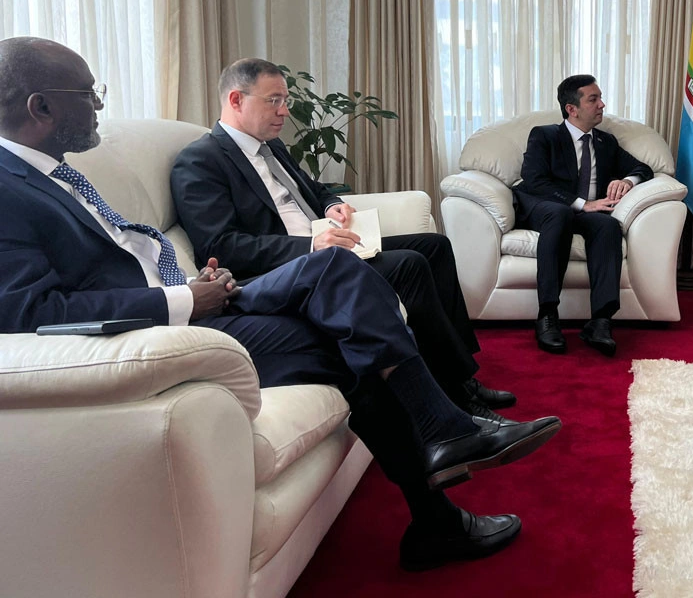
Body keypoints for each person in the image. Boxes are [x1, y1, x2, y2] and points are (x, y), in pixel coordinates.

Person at [0, 36, 563, 570]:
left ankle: (443, 459)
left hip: (204, 294)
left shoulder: (53, 173)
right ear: (40, 106)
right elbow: (29, 312)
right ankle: (441, 471)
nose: (99, 105)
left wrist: (198, 281)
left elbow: (127, 259)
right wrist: (180, 298)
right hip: (164, 329)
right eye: (88, 93)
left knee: (344, 279)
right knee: (346, 324)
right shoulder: (8, 188)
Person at [170, 58, 512, 421]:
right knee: (410, 265)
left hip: (328, 249)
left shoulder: (272, 146)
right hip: (291, 270)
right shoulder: (201, 161)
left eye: (285, 100)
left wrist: (331, 204)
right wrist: (311, 246)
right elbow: (221, 246)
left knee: (435, 246)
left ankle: (461, 373)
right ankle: (457, 394)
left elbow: (315, 190)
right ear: (236, 100)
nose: (285, 111)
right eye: (274, 100)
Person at [513, 75, 652, 357]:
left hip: (586, 211)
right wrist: (580, 203)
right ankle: (547, 315)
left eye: (600, 98)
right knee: (561, 213)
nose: (602, 104)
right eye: (593, 99)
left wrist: (628, 181)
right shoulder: (545, 135)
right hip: (546, 206)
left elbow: (643, 169)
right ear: (571, 109)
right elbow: (533, 180)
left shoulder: (605, 142)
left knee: (608, 226)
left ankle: (600, 321)